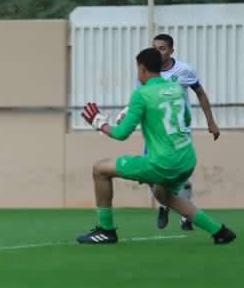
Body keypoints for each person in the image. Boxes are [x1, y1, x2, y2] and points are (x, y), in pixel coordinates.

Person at [77, 47, 235, 245]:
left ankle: (106, 231)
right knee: (165, 195)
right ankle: (219, 231)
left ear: (142, 69)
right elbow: (185, 118)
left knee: (100, 169)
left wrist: (99, 123)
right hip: (187, 159)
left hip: (162, 163)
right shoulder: (176, 88)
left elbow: (121, 133)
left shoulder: (141, 94)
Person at [116, 34, 220, 230]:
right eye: (155, 47)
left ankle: (184, 216)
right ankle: (165, 203)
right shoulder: (146, 74)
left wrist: (211, 122)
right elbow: (138, 100)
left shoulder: (184, 70)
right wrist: (125, 112)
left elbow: (200, 93)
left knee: (180, 176)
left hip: (179, 132)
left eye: (162, 48)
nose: (158, 51)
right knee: (151, 176)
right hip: (156, 134)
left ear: (171, 51)